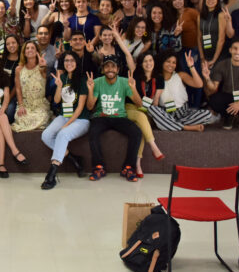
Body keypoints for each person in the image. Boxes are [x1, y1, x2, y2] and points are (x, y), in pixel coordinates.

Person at [86, 56, 143, 182]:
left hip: (120, 117)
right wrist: (90, 90)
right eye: (107, 66)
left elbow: (139, 104)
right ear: (103, 69)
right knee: (93, 132)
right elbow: (90, 107)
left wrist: (133, 88)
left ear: (118, 69)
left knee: (136, 132)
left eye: (113, 66)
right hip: (101, 116)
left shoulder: (125, 82)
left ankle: (128, 168)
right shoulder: (97, 82)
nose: (110, 69)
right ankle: (99, 167)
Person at [40, 51, 91, 189]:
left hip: (81, 119)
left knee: (62, 134)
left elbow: (80, 108)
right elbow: (57, 101)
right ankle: (73, 159)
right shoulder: (62, 77)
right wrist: (59, 86)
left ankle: (51, 174)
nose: (69, 63)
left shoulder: (82, 79)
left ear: (77, 62)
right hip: (64, 115)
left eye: (72, 60)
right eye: (66, 60)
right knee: (46, 135)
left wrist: (67, 125)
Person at [147, 50, 213, 132]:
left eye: (174, 62)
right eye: (168, 61)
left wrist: (191, 66)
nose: (171, 65)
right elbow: (154, 102)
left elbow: (199, 84)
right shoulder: (156, 78)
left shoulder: (180, 75)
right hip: (165, 112)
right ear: (162, 62)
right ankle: (185, 127)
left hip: (183, 113)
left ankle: (169, 124)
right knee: (152, 109)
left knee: (208, 114)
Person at [203, 38, 239, 130]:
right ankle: (229, 116)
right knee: (214, 100)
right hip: (228, 96)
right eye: (235, 48)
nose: (237, 52)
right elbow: (213, 88)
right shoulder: (221, 65)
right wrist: (207, 78)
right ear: (230, 50)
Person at [129, 52, 165, 175]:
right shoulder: (135, 77)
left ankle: (137, 163)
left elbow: (155, 101)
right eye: (145, 61)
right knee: (141, 116)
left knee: (141, 129)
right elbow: (135, 100)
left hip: (146, 110)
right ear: (141, 64)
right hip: (131, 108)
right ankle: (153, 146)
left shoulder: (159, 78)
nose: (148, 63)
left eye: (150, 60)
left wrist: (150, 110)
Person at [12, 41, 52, 132]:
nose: (30, 50)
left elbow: (43, 70)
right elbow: (18, 89)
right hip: (25, 104)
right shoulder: (18, 69)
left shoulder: (42, 67)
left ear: (37, 51)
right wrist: (21, 105)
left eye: (32, 48)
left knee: (41, 118)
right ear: (24, 52)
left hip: (39, 104)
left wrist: (43, 66)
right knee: (22, 118)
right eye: (27, 48)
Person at [197, 0, 226, 68]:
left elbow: (221, 39)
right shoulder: (200, 16)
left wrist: (214, 60)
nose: (210, 0)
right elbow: (199, 37)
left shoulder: (221, 15)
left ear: (218, 0)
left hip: (219, 56)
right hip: (205, 55)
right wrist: (202, 57)